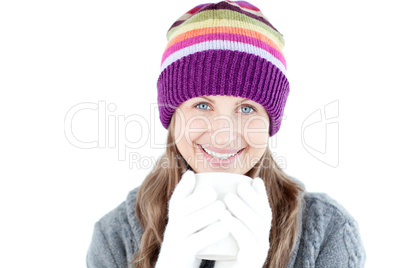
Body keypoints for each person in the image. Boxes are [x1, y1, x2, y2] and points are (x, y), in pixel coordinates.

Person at [86, 1, 366, 267]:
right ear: (173, 117)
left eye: (246, 109)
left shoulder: (330, 232)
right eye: (203, 105)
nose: (222, 136)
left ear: (270, 122)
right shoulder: (114, 239)